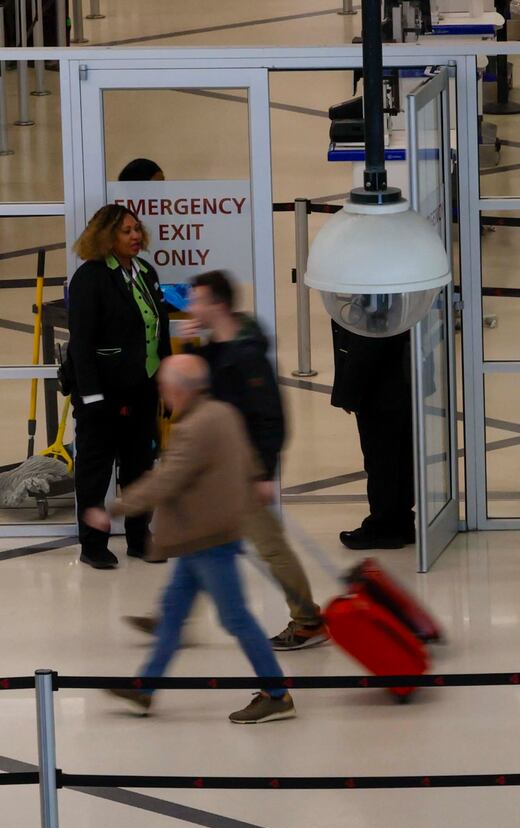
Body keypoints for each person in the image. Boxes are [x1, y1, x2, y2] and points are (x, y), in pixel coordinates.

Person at [86, 354, 296, 725]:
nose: (162, 394)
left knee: (236, 619)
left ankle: (277, 694)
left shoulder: (194, 428)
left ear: (178, 390)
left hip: (208, 541)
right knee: (171, 616)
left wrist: (114, 509)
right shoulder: (223, 414)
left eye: (165, 387)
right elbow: (247, 462)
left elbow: (166, 480)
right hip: (202, 538)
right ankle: (144, 689)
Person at [126, 270, 328, 651]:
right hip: (219, 470)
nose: (192, 307)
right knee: (197, 543)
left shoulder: (246, 355)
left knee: (270, 547)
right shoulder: (217, 347)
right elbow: (196, 391)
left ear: (217, 304)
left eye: (198, 300)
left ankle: (308, 620)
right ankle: (172, 616)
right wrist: (190, 349)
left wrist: (264, 473)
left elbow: (271, 417)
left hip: (244, 472)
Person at [66, 203, 171, 569]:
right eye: (126, 231)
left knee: (140, 467)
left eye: (136, 229)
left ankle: (140, 538)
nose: (135, 236)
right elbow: (80, 345)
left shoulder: (144, 271)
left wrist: (168, 380)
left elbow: (161, 329)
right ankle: (92, 545)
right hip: (103, 395)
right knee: (96, 470)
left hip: (142, 389)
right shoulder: (89, 279)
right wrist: (93, 397)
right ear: (107, 237)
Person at [331, 323, 416, 550]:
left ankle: (383, 526)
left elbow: (366, 342)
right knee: (402, 454)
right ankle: (401, 520)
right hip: (405, 378)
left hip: (379, 388)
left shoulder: (373, 296)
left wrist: (348, 393)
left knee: (381, 459)